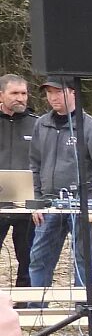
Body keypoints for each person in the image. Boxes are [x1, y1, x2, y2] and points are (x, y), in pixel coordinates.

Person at [28, 75, 92, 291]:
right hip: (49, 204)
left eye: (59, 92)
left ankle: (84, 311)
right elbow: (34, 166)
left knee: (84, 260)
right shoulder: (41, 124)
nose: (53, 97)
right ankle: (37, 309)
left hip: (81, 203)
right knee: (39, 258)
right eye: (49, 93)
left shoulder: (90, 127)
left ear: (73, 92)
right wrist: (36, 201)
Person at [0, 75, 34, 287]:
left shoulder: (38, 125)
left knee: (28, 258)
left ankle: (27, 305)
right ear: (1, 95)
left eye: (23, 93)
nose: (20, 98)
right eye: (14, 93)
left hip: (27, 205)